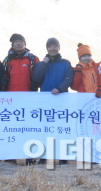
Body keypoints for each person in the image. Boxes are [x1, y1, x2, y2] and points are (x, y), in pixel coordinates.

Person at [33, 37, 74, 165]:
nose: (52, 48)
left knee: (61, 127)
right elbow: (36, 78)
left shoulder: (65, 63)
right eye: (50, 46)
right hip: (45, 100)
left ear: (59, 48)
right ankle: (44, 156)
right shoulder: (41, 64)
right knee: (45, 128)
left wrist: (59, 88)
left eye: (55, 46)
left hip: (61, 99)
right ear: (47, 49)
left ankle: (62, 156)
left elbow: (69, 78)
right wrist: (44, 64)